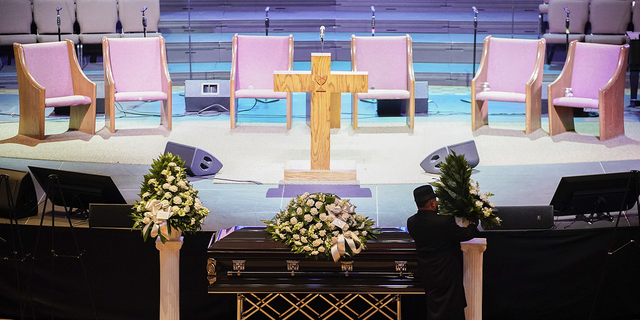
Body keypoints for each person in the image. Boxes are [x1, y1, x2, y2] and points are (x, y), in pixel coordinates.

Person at [406, 185, 478, 320]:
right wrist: (473, 224)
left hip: (427, 272)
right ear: (433, 202)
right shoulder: (444, 221)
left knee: (434, 307)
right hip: (446, 271)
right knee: (452, 308)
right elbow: (464, 234)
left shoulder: (411, 222)